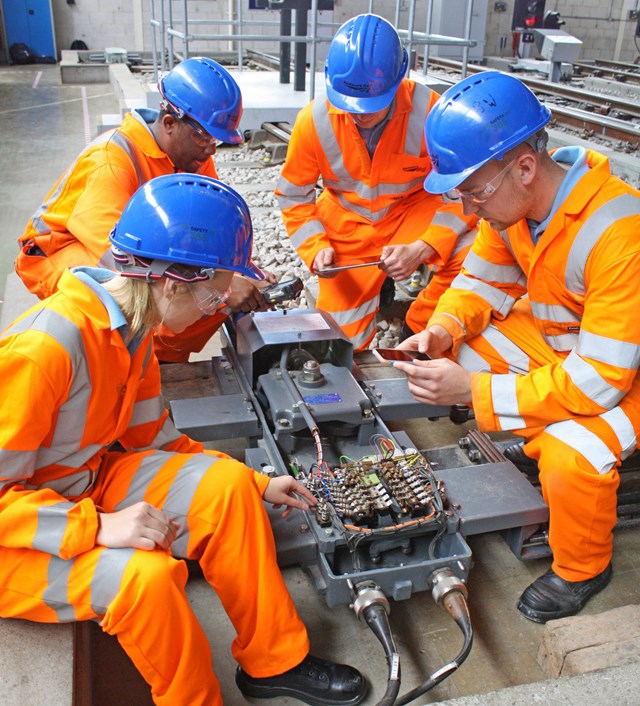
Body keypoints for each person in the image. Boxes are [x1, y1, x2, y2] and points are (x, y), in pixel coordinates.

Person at [0, 173, 368, 706]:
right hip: (22, 536)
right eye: (214, 296)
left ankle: (273, 663)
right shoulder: (43, 350)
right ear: (172, 283)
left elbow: (159, 443)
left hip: (82, 485)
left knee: (225, 488)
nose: (215, 309)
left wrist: (257, 482)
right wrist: (99, 526)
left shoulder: (130, 332)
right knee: (146, 578)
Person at [396, 70, 640, 623]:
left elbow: (601, 381)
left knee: (569, 454)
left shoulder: (620, 234)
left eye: (473, 192)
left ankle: (583, 567)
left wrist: (477, 391)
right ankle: (537, 435)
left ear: (525, 167)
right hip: (577, 350)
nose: (469, 209)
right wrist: (442, 330)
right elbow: (480, 285)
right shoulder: (514, 209)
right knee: (460, 353)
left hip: (623, 373)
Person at [15, 56, 273, 363]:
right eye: (204, 137)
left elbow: (209, 229)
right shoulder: (110, 161)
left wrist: (237, 269)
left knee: (197, 299)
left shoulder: (193, 157)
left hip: (129, 251)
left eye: (216, 141)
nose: (210, 150)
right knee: (141, 299)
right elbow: (122, 261)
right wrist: (226, 288)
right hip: (63, 253)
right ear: (168, 124)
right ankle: (125, 362)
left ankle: (157, 364)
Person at [275, 13, 477, 351]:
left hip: (411, 215)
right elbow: (294, 196)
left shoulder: (431, 113)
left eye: (371, 104)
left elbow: (465, 195)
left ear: (400, 79)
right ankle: (371, 301)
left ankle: (419, 328)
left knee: (472, 248)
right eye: (350, 105)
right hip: (347, 228)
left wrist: (424, 247)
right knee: (338, 346)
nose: (360, 114)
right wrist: (317, 249)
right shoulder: (313, 121)